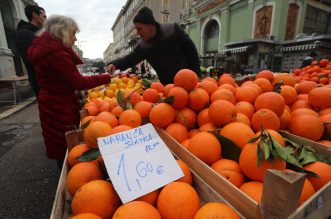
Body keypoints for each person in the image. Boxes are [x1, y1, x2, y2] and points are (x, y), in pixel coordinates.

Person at [28, 15, 112, 167]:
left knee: (60, 142)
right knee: (65, 146)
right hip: (58, 105)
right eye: (73, 33)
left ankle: (66, 170)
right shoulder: (56, 54)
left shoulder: (48, 49)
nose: (75, 39)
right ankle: (67, 176)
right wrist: (106, 78)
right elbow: (78, 82)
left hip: (52, 102)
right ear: (62, 32)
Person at [107, 7, 201, 85]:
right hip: (168, 87)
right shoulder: (143, 46)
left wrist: (197, 75)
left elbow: (191, 51)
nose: (138, 33)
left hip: (189, 81)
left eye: (140, 29)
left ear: (150, 27)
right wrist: (115, 64)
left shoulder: (172, 30)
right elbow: (130, 59)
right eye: (136, 29)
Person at [15, 4, 47, 96]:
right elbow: (31, 59)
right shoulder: (24, 33)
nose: (45, 19)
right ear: (34, 15)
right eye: (43, 16)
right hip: (41, 80)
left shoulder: (35, 32)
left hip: (45, 79)